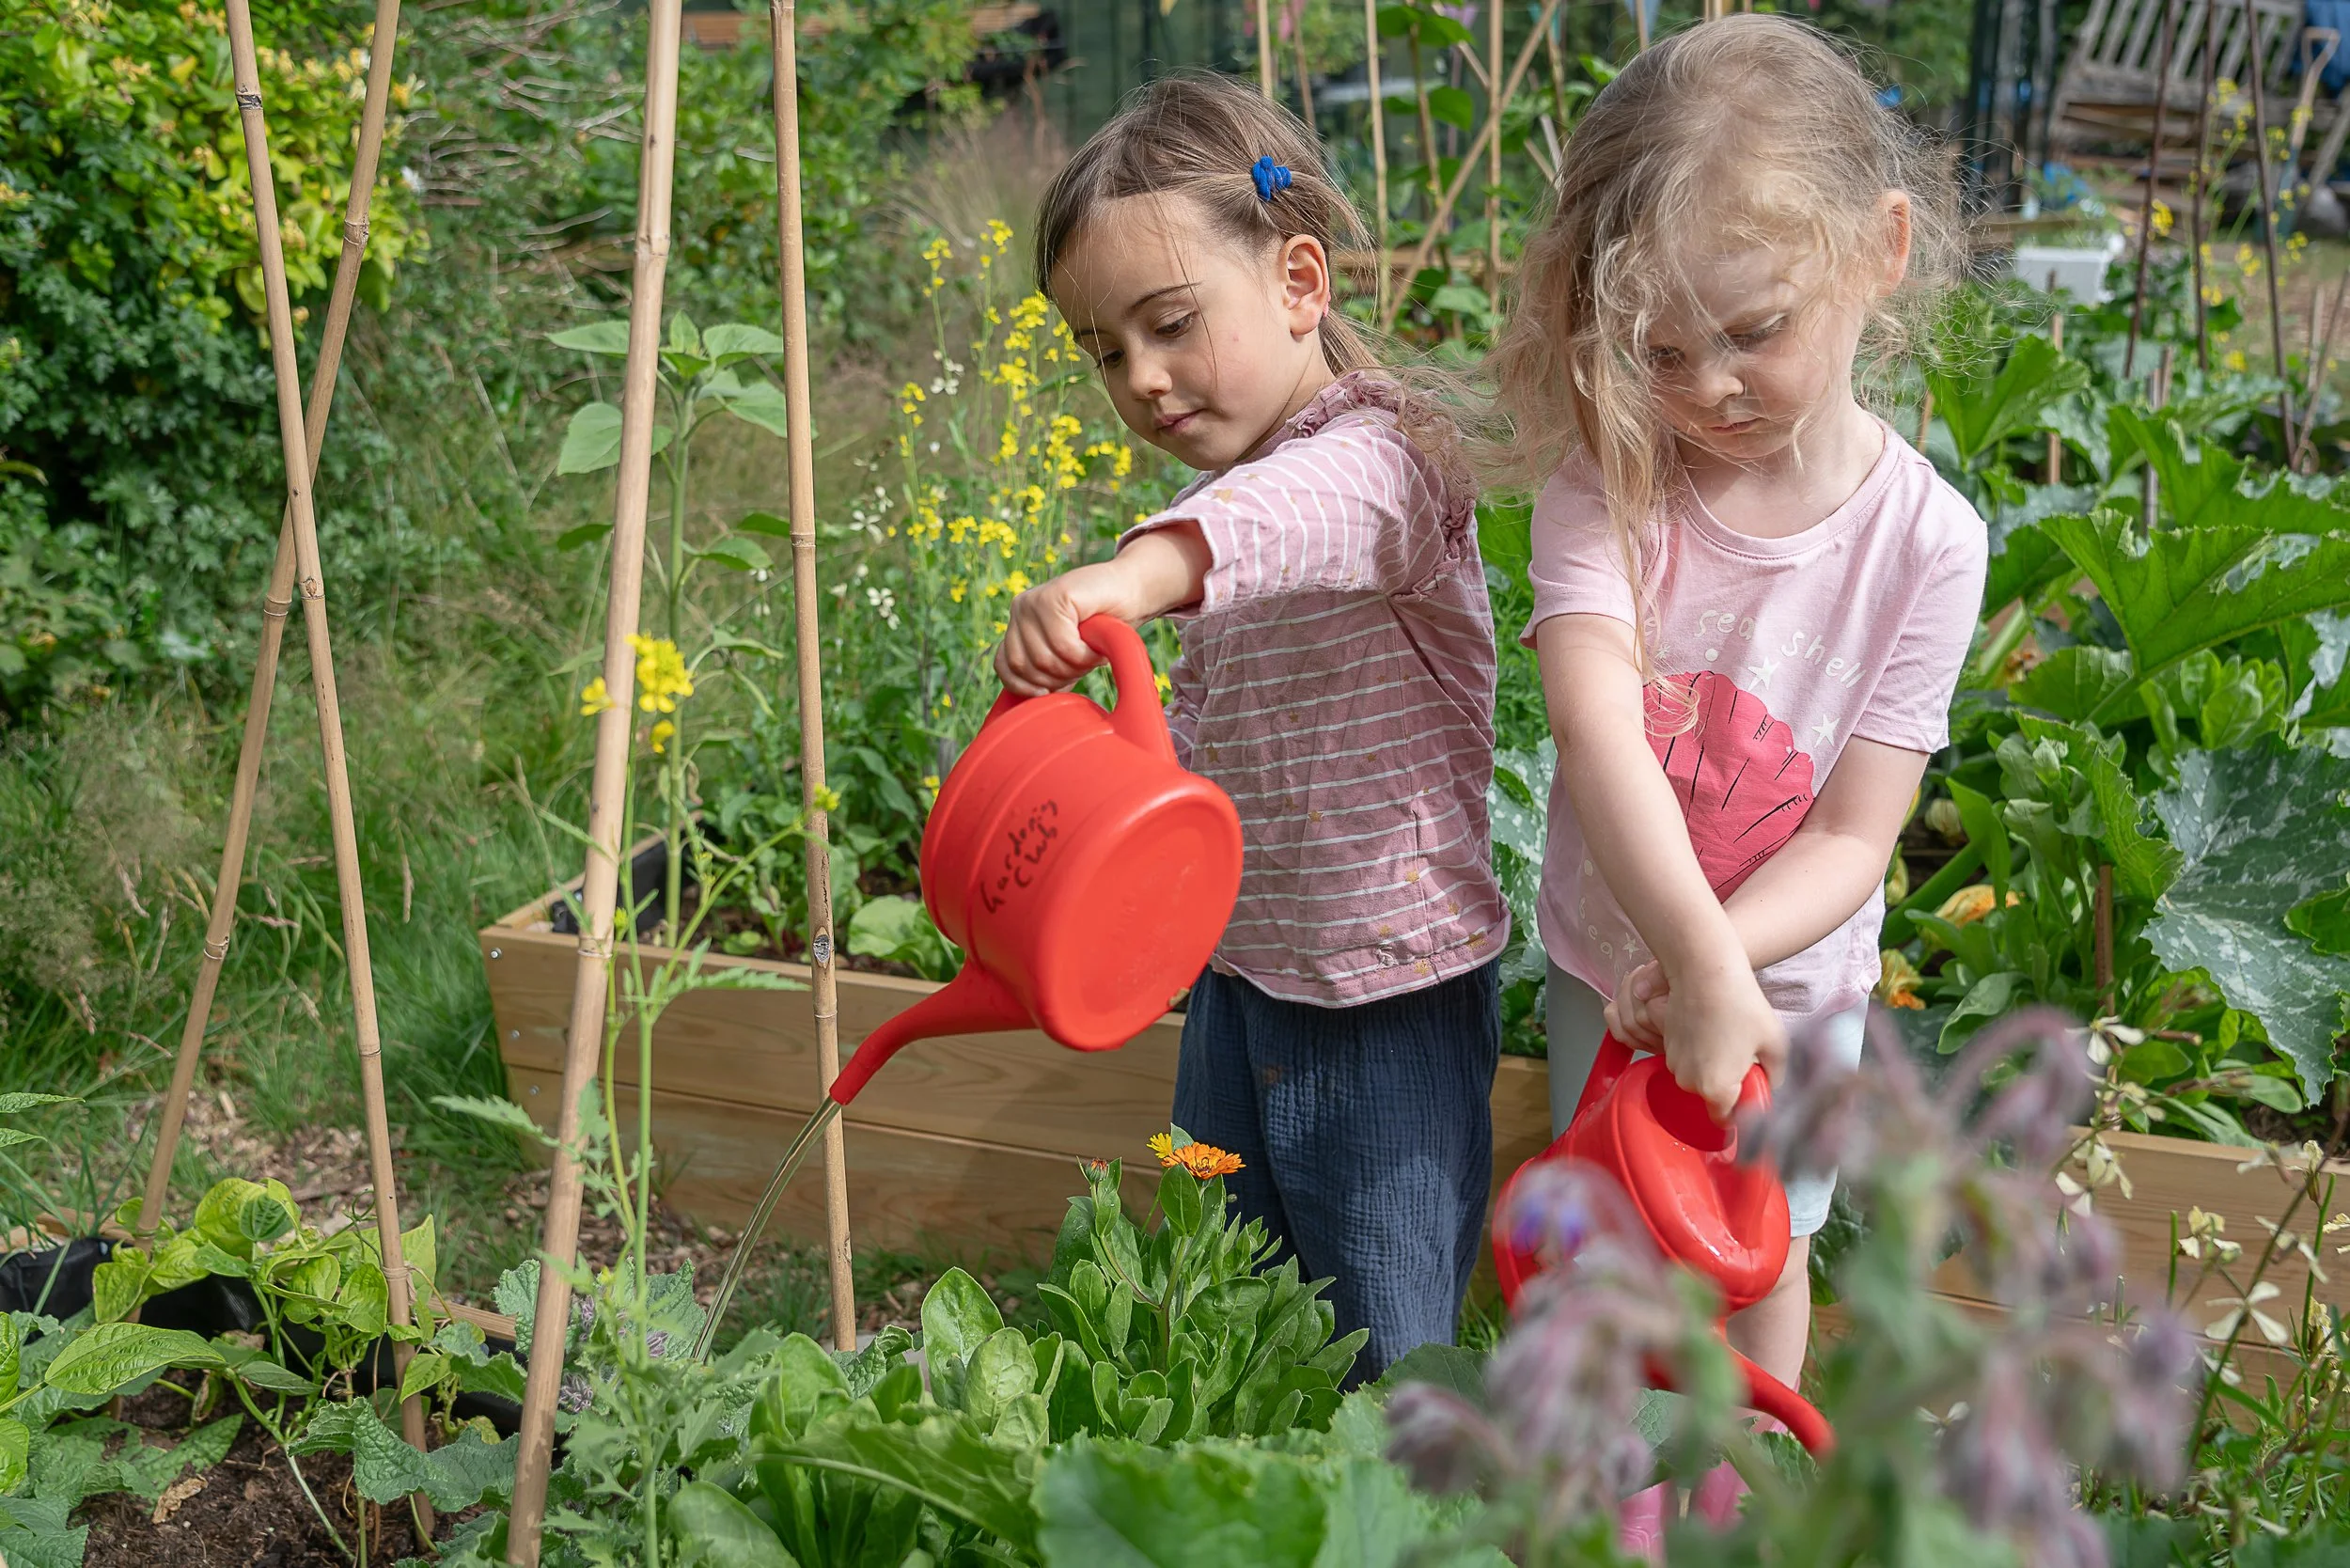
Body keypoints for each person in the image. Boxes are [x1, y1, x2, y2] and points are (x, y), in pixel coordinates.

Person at [1489, 9, 1984, 1494]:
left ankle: (1731, 1486)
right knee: (1607, 1230)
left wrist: (1723, 963)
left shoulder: (1929, 543)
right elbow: (1596, 729)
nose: (1706, 389)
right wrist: (1680, 964)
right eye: (1658, 350)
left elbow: (1852, 835)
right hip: (1617, 963)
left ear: (1878, 249)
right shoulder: (1612, 491)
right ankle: (1596, 1490)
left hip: (1795, 991)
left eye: (1754, 332)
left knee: (1765, 1248)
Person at [992, 73, 1506, 1377]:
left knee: (1386, 1345)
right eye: (1105, 351)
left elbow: (1290, 520)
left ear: (1297, 282)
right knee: (1219, 1295)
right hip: (1238, 978)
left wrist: (1134, 576)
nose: (1142, 378)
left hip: (1382, 998)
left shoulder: (1383, 458)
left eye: (1168, 324)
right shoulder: (1236, 493)